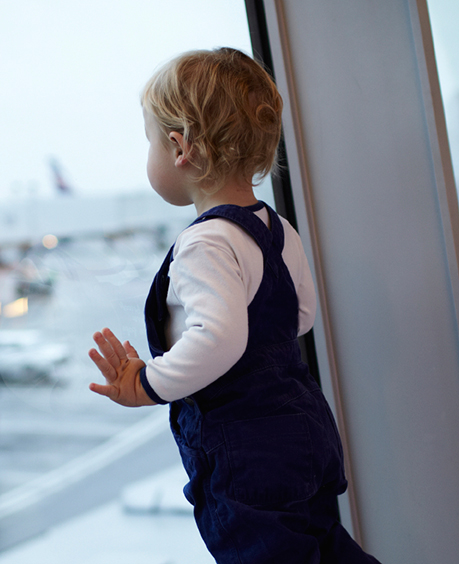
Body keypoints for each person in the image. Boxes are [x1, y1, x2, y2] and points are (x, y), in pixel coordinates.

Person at [87, 47, 380, 564]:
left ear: (179, 147)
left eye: (150, 141)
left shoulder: (205, 244)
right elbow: (300, 315)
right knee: (326, 547)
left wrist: (149, 382)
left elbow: (220, 337)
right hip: (305, 429)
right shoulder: (275, 227)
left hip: (250, 456)